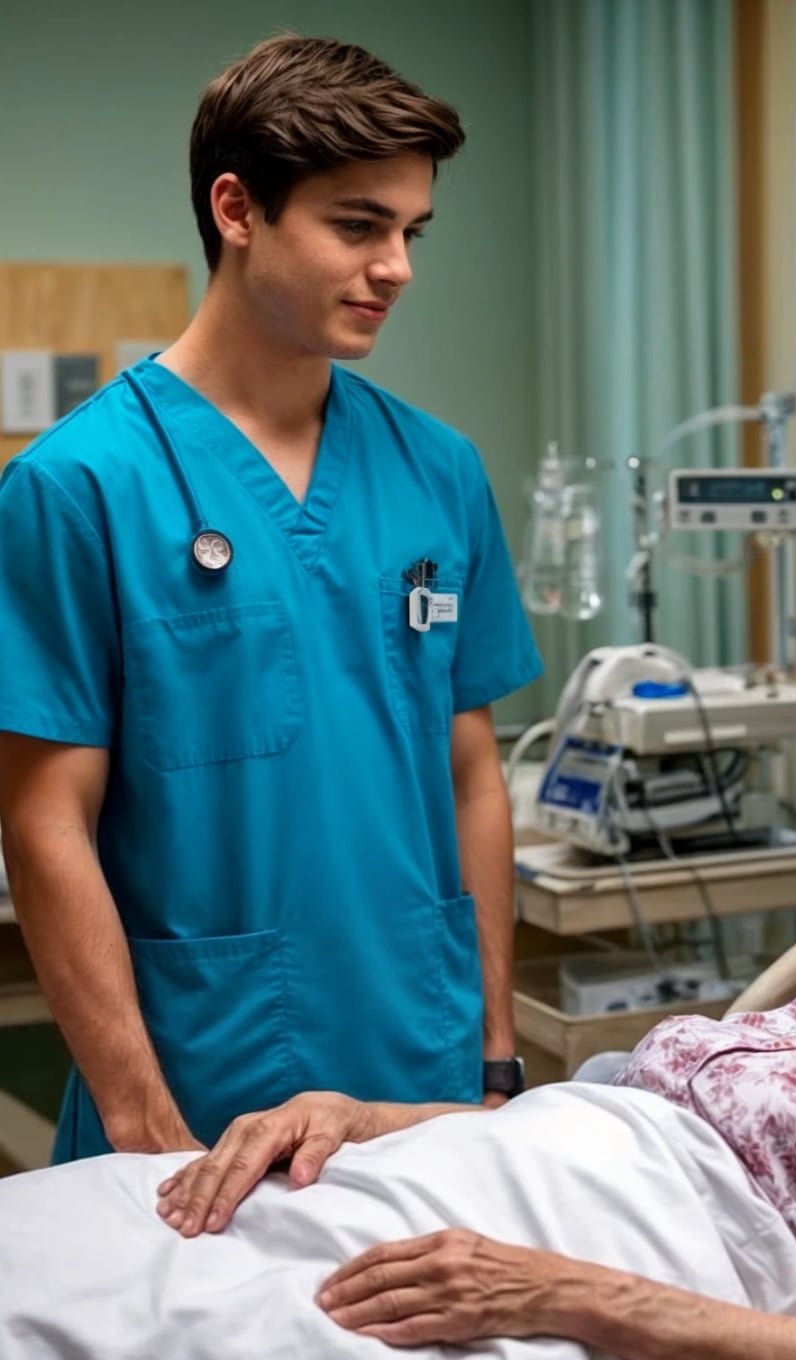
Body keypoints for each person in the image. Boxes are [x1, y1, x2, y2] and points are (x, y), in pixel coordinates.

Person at [2, 736, 796, 1360]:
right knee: (75, 1241)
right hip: (465, 1194)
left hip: (610, 1276)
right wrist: (366, 1116)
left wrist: (555, 1290)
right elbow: (608, 1116)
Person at [0, 35, 541, 1163]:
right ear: (238, 209)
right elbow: (47, 821)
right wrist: (143, 1115)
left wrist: (496, 1048)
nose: (396, 264)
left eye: (409, 231)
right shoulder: (77, 485)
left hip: (421, 1064)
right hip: (201, 1075)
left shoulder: (439, 471)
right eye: (357, 225)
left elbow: (470, 771)